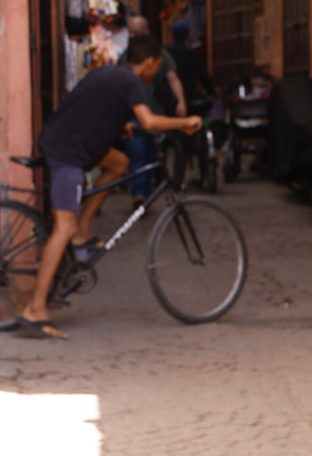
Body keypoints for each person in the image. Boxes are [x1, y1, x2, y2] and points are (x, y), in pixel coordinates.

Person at [17, 35, 201, 340]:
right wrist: (184, 123)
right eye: (156, 66)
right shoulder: (132, 83)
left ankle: (83, 232)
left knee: (118, 164)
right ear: (151, 61)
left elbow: (97, 109)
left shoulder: (111, 73)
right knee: (63, 226)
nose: (155, 72)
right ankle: (35, 310)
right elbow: (150, 121)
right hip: (68, 152)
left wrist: (122, 125)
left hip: (72, 141)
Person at [121, 15, 187, 207]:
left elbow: (173, 78)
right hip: (135, 115)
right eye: (131, 31)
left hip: (155, 111)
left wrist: (181, 101)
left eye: (137, 31)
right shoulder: (126, 58)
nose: (134, 35)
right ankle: (140, 195)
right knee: (138, 153)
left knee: (153, 155)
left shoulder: (160, 54)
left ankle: (147, 195)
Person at [166, 20, 215, 116]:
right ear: (187, 36)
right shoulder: (192, 54)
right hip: (189, 97)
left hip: (167, 98)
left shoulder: (166, 52)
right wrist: (212, 91)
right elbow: (203, 75)